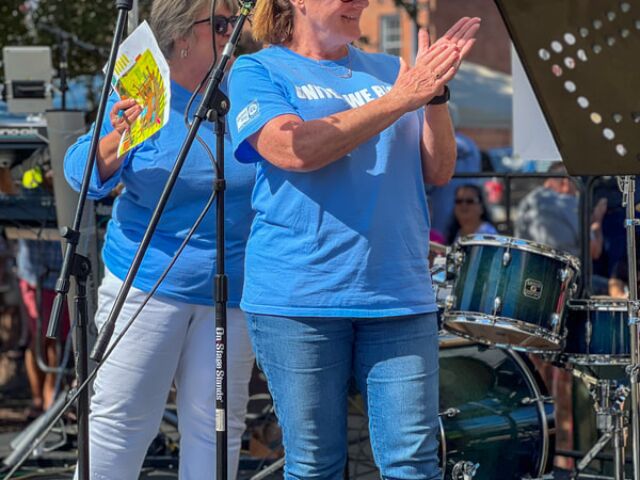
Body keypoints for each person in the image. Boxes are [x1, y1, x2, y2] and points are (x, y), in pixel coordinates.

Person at [228, 1, 480, 477]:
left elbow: (440, 168)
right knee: (315, 464)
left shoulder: (391, 70)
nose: (361, 1)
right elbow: (294, 149)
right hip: (298, 300)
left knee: (414, 464)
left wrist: (435, 96)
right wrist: (400, 99)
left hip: (398, 295)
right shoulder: (256, 69)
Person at [63, 0, 255, 478]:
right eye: (221, 24)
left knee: (216, 430)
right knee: (120, 424)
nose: (234, 33)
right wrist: (115, 138)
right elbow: (80, 174)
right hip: (146, 287)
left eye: (236, 23)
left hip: (232, 295)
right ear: (182, 37)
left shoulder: (248, 90)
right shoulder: (143, 90)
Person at [515, 162, 606, 260]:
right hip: (565, 271)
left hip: (527, 268)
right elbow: (593, 251)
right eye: (576, 182)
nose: (576, 190)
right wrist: (597, 219)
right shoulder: (568, 202)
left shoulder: (527, 200)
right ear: (566, 183)